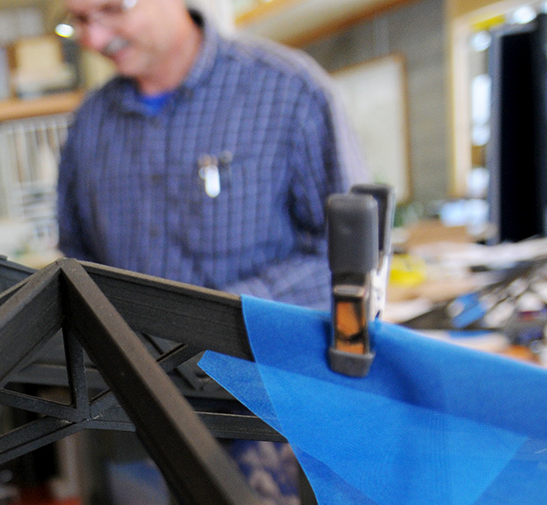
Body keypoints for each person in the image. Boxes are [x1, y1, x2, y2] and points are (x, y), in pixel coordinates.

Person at [56, 0, 365, 310]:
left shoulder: (291, 91)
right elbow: (78, 258)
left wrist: (212, 316)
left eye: (112, 9)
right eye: (81, 20)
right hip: (130, 357)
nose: (95, 40)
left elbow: (348, 261)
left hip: (254, 355)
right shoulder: (89, 123)